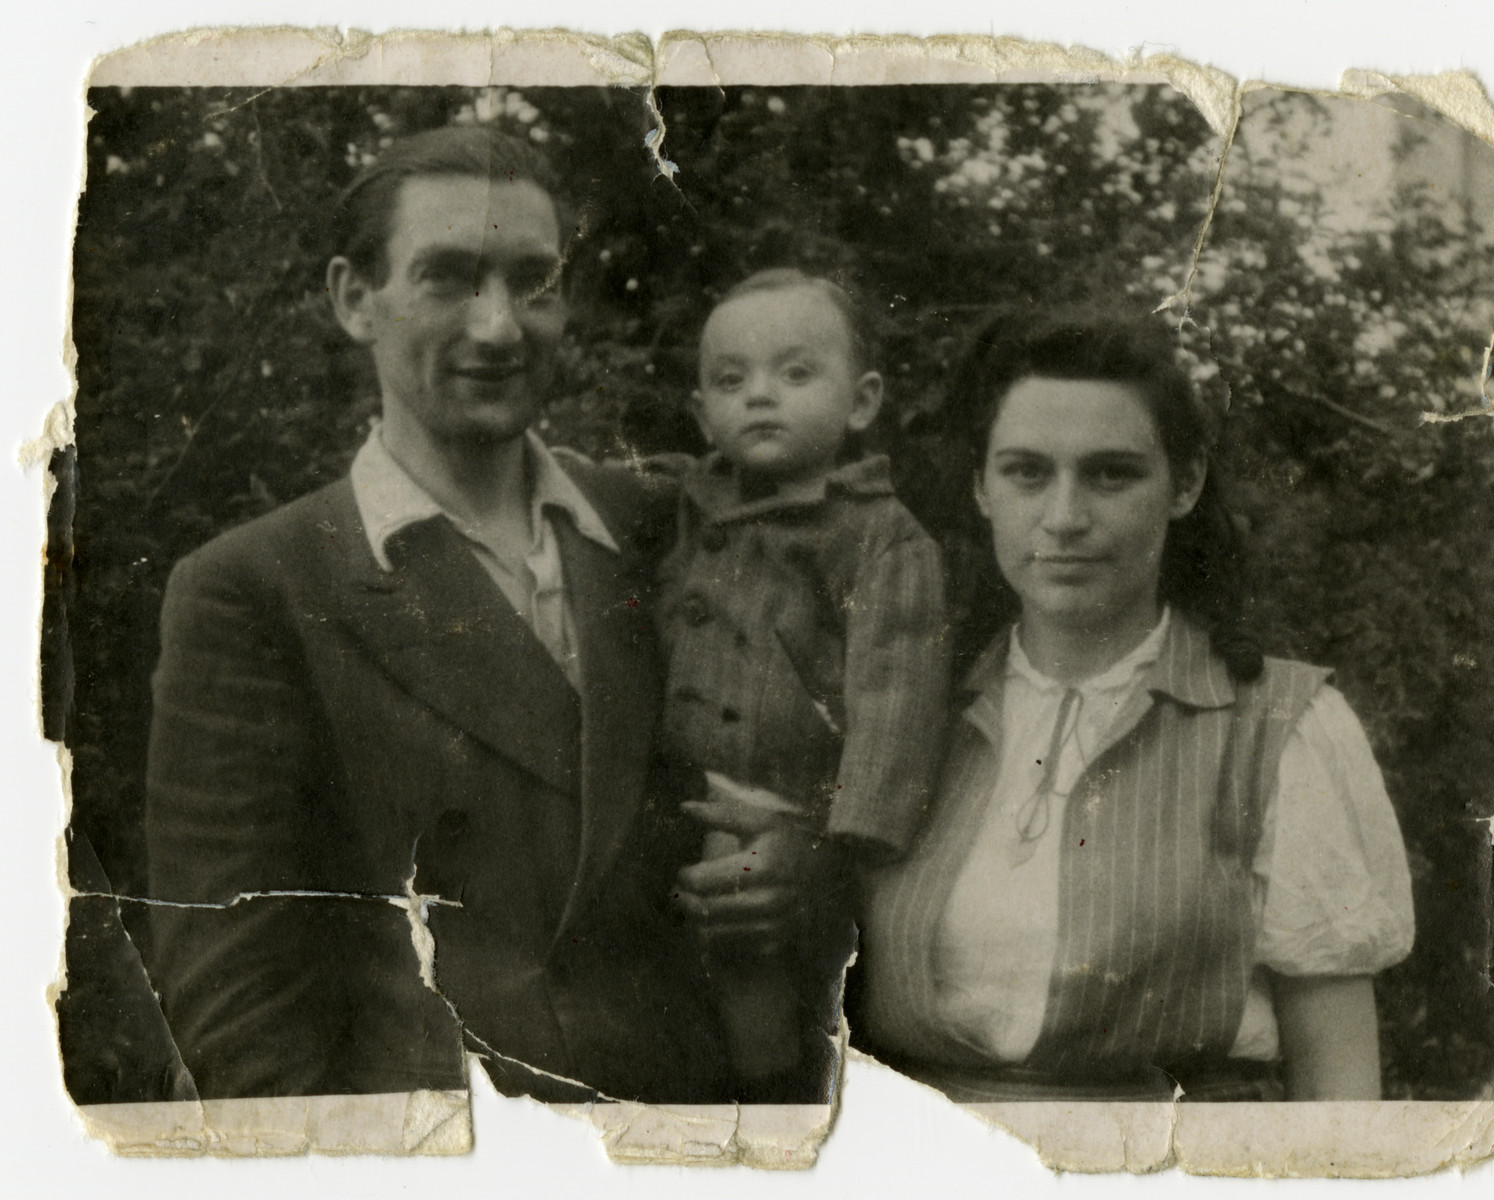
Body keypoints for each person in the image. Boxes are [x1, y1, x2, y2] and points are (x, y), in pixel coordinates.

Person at [142, 126, 728, 1103]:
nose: (499, 326)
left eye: (533, 280)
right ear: (352, 299)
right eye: (449, 277)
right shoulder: (255, 587)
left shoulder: (654, 527)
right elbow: (238, 1003)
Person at [845, 311, 1416, 1102]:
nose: (1065, 517)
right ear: (981, 487)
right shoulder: (909, 712)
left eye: (1111, 474)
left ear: (1184, 485)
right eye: (1025, 472)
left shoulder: (1278, 726)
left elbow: (1341, 1082)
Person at [658, 269, 949, 1098]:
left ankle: (773, 1104)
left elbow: (896, 694)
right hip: (668, 798)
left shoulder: (879, 537)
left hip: (788, 809)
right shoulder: (687, 505)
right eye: (731, 379)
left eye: (795, 375)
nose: (760, 397)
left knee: (762, 987)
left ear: (859, 403)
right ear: (701, 411)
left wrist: (843, 844)